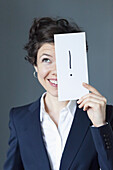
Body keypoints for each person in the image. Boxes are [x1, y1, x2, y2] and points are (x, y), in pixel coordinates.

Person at [4, 17, 113, 170]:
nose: (56, 72)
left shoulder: (103, 115)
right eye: (46, 60)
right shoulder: (19, 119)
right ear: (35, 66)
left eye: (64, 60)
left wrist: (100, 126)